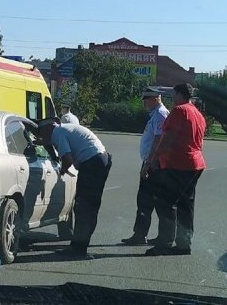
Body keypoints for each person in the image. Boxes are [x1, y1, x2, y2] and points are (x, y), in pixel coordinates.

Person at [145, 83, 206, 256]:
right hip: (195, 163)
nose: (172, 98)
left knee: (166, 203)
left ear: (179, 94)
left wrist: (155, 159)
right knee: (186, 205)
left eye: (174, 94)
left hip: (179, 163)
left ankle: (164, 242)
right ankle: (184, 243)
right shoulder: (197, 113)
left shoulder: (180, 110)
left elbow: (169, 137)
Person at [38, 119, 111, 259]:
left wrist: (61, 171)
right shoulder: (63, 129)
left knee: (84, 207)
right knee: (89, 207)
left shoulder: (57, 133)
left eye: (41, 133)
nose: (41, 137)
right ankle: (80, 247)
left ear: (47, 129)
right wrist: (47, 143)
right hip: (100, 159)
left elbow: (68, 160)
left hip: (92, 163)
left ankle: (79, 250)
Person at [120, 89, 170, 245]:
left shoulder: (161, 114)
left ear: (155, 98)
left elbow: (158, 139)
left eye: (146, 99)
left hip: (154, 163)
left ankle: (142, 235)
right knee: (145, 200)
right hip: (152, 161)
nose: (144, 102)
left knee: (146, 199)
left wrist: (148, 163)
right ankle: (141, 234)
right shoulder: (157, 114)